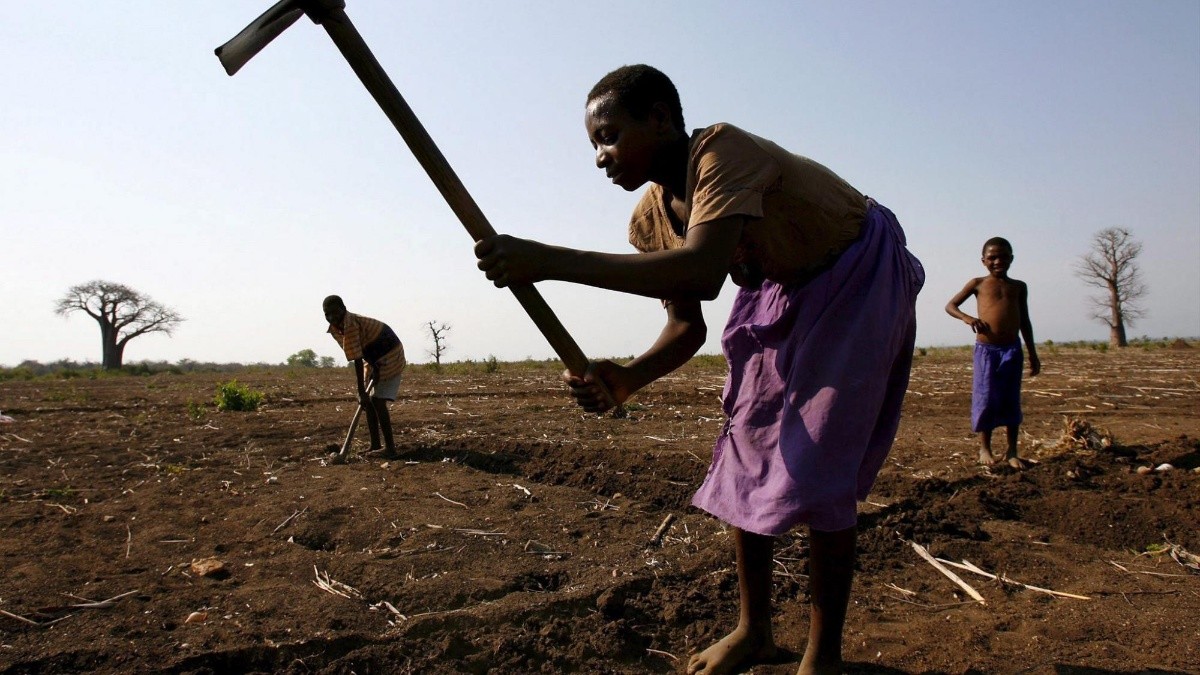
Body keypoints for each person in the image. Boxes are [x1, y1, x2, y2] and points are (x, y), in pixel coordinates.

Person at [474, 64, 924, 675]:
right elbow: (688, 325)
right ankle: (754, 631)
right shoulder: (649, 219)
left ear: (659, 117)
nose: (600, 158)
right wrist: (628, 376)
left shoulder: (722, 152)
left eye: (608, 136)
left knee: (820, 459)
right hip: (779, 284)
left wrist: (546, 260)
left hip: (852, 269)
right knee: (745, 451)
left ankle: (824, 654)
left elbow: (702, 272)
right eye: (593, 146)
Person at [945, 237, 1040, 468]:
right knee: (985, 397)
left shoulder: (1019, 287)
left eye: (1004, 257)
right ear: (983, 260)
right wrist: (969, 319)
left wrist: (1033, 354)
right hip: (986, 351)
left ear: (1012, 258)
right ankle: (984, 448)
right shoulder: (977, 283)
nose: (999, 261)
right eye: (992, 258)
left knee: (1010, 398)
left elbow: (1024, 321)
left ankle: (1012, 450)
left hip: (1012, 350)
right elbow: (951, 306)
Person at [322, 295, 406, 455]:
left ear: (343, 309)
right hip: (374, 357)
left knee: (377, 401)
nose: (331, 317)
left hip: (390, 354)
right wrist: (373, 370)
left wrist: (361, 391)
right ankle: (375, 445)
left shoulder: (350, 324)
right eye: (327, 314)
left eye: (334, 312)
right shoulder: (336, 328)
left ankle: (390, 449)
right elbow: (358, 351)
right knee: (368, 404)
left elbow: (357, 359)